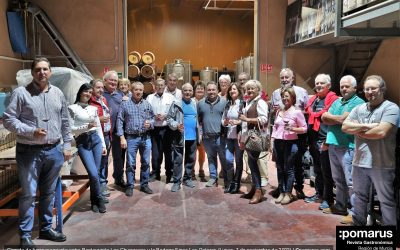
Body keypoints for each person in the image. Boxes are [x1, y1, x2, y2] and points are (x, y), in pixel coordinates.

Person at [3, 57, 72, 247]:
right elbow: (8, 120)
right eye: (38, 69)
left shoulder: (58, 93)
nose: (42, 72)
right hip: (29, 151)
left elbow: (65, 121)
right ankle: (25, 234)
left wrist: (66, 145)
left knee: (48, 193)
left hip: (54, 150)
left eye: (45, 69)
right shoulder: (21, 93)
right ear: (33, 72)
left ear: (50, 72)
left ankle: (45, 228)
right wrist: (30, 131)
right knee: (28, 193)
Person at [342, 75, 399, 226]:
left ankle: (389, 235)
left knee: (385, 200)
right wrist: (369, 126)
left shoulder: (391, 108)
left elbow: (381, 132)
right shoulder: (359, 108)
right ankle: (358, 227)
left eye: (373, 88)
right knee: (358, 197)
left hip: (382, 164)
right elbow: (345, 127)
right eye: (367, 89)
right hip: (359, 162)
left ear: (382, 89)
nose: (369, 91)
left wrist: (358, 130)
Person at [321, 75, 365, 224]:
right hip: (333, 144)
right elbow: (324, 117)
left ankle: (354, 213)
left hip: (348, 146)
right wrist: (335, 118)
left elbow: (343, 120)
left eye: (347, 86)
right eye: (342, 86)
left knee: (351, 182)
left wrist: (333, 118)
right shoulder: (337, 101)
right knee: (338, 179)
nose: (344, 89)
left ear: (354, 88)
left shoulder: (358, 103)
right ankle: (340, 206)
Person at [68, 83, 107, 213]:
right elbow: (70, 129)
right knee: (93, 174)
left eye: (90, 92)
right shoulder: (72, 108)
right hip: (83, 142)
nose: (88, 94)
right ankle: (99, 198)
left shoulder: (92, 108)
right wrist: (85, 127)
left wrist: (103, 144)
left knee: (96, 172)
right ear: (80, 92)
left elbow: (98, 128)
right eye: (86, 91)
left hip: (95, 140)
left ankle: (94, 201)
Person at [271, 68, 309, 199]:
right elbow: (274, 112)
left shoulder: (302, 91)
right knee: (281, 164)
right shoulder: (276, 93)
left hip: (296, 133)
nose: (284, 80)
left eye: (287, 77)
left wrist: (295, 114)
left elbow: (307, 112)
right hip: (281, 133)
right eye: (282, 77)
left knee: (296, 163)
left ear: (293, 78)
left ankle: (298, 188)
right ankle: (282, 188)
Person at [304, 73, 338, 210]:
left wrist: (328, 141)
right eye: (317, 83)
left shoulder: (334, 101)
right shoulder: (314, 100)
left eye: (321, 83)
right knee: (317, 169)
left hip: (324, 140)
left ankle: (327, 198)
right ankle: (318, 194)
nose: (318, 85)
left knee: (326, 171)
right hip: (313, 139)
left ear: (328, 86)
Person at [117, 82, 155, 197]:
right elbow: (119, 121)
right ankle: (130, 185)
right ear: (132, 91)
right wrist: (122, 137)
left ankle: (144, 184)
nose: (138, 92)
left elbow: (152, 118)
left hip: (145, 137)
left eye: (140, 90)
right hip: (131, 138)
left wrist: (151, 124)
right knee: (130, 163)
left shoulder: (147, 104)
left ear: (143, 91)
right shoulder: (125, 104)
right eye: (136, 90)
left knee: (146, 162)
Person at [238, 80, 269, 204]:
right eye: (248, 89)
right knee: (251, 164)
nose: (250, 91)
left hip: (255, 136)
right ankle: (254, 188)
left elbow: (263, 119)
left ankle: (258, 190)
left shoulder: (260, 102)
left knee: (253, 164)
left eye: (252, 88)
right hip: (248, 136)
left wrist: (247, 119)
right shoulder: (249, 102)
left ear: (258, 89)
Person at [166, 83, 198, 191]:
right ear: (182, 92)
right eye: (185, 90)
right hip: (179, 136)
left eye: (190, 90)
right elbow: (169, 118)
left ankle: (187, 178)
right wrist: (176, 125)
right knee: (178, 160)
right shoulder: (176, 103)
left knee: (190, 159)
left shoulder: (195, 103)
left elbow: (198, 119)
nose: (188, 92)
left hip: (192, 136)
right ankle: (176, 181)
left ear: (192, 92)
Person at [197, 81, 228, 187]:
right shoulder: (200, 103)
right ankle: (213, 178)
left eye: (213, 89)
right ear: (206, 91)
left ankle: (227, 178)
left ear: (217, 90)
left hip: (220, 137)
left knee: (224, 158)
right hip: (207, 137)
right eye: (209, 90)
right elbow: (199, 120)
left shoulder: (224, 103)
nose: (211, 92)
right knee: (211, 158)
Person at [146, 78, 175, 182]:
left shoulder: (171, 97)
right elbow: (147, 112)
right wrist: (154, 117)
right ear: (154, 86)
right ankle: (155, 173)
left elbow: (174, 112)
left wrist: (165, 116)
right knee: (155, 153)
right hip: (154, 129)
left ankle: (169, 174)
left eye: (162, 85)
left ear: (165, 85)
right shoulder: (149, 98)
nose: (160, 87)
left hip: (167, 129)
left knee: (168, 153)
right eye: (158, 85)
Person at [102, 70, 126, 189]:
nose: (113, 82)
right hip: (104, 133)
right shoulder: (101, 93)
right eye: (111, 80)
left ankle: (118, 178)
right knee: (104, 158)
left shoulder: (120, 95)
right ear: (105, 81)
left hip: (117, 132)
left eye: (115, 81)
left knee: (118, 156)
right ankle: (103, 182)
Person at [89, 79, 112, 198]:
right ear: (92, 88)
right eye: (98, 87)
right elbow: (86, 119)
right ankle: (98, 188)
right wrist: (99, 119)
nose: (101, 90)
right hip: (97, 137)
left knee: (104, 162)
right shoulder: (90, 101)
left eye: (102, 87)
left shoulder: (103, 100)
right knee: (97, 163)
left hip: (107, 135)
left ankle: (103, 184)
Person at [222, 82, 244, 193]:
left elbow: (245, 120)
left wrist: (238, 121)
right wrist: (225, 122)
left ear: (238, 91)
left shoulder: (242, 104)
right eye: (230, 89)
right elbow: (223, 121)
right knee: (228, 160)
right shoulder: (227, 104)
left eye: (234, 89)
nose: (232, 91)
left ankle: (236, 183)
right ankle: (230, 183)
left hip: (239, 137)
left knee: (239, 161)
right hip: (229, 137)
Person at [192, 80, 207, 181]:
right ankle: (191, 171)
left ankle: (201, 170)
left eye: (202, 88)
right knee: (192, 152)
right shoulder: (191, 101)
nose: (200, 90)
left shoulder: (207, 101)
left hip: (203, 130)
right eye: (198, 88)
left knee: (202, 151)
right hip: (192, 130)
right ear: (194, 90)